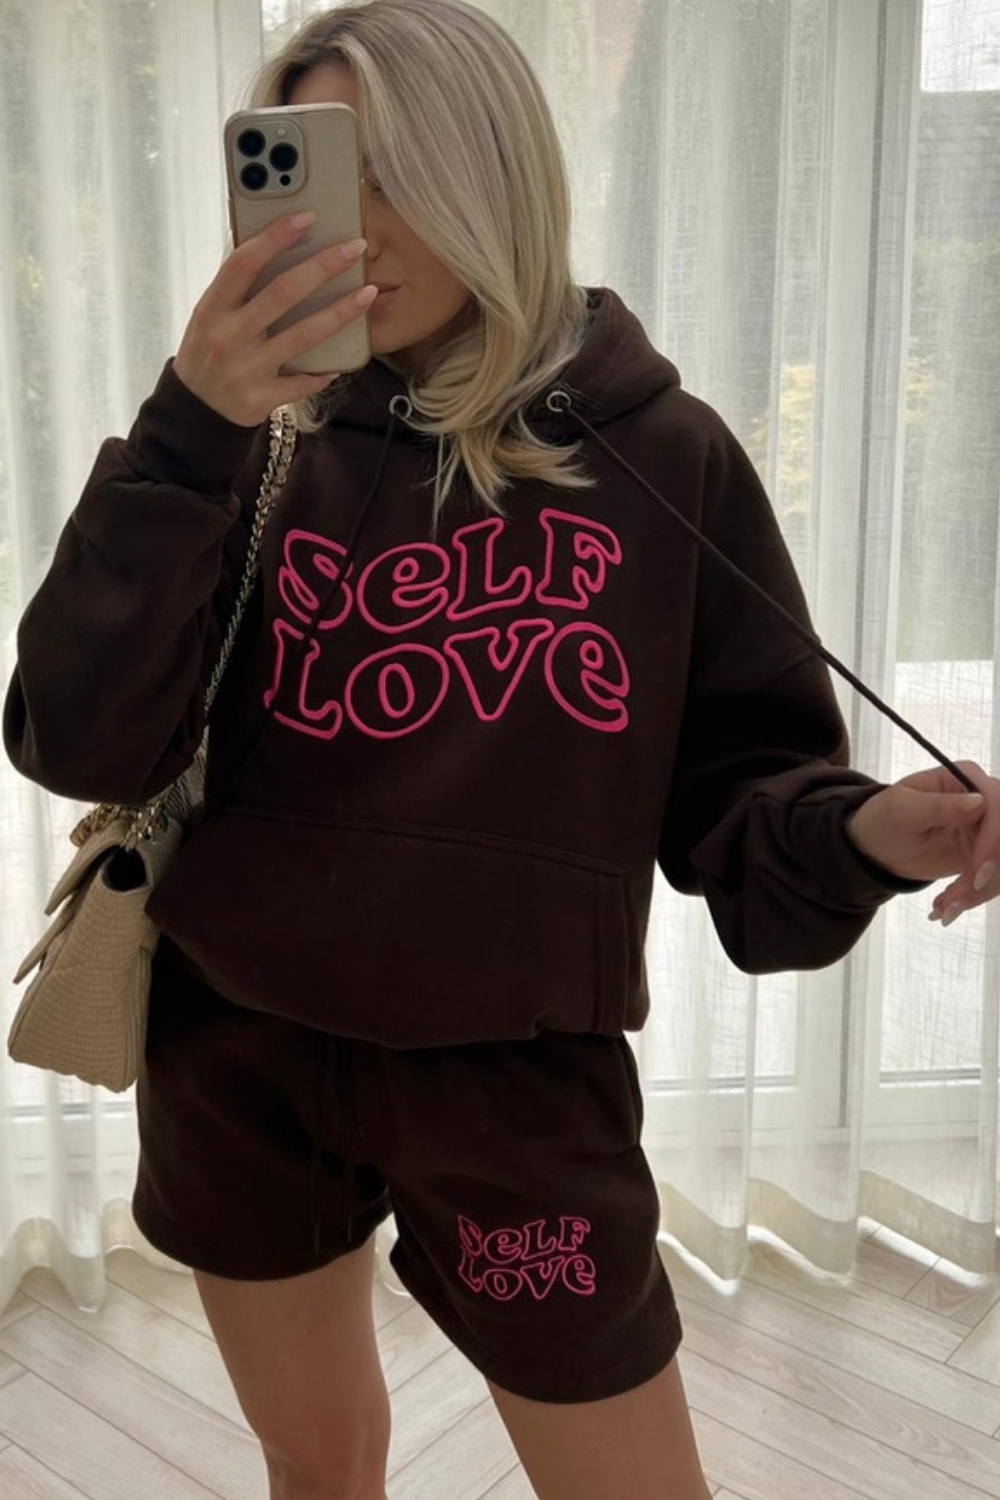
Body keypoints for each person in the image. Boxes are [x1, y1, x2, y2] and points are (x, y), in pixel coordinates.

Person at [5, 2, 999, 1497]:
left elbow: (742, 789)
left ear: (492, 174)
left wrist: (867, 832)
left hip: (514, 1088)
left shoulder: (660, 457)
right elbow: (83, 738)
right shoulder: (244, 441)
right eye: (314, 171)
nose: (352, 226)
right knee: (318, 1465)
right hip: (237, 1054)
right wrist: (188, 431)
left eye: (393, 172)